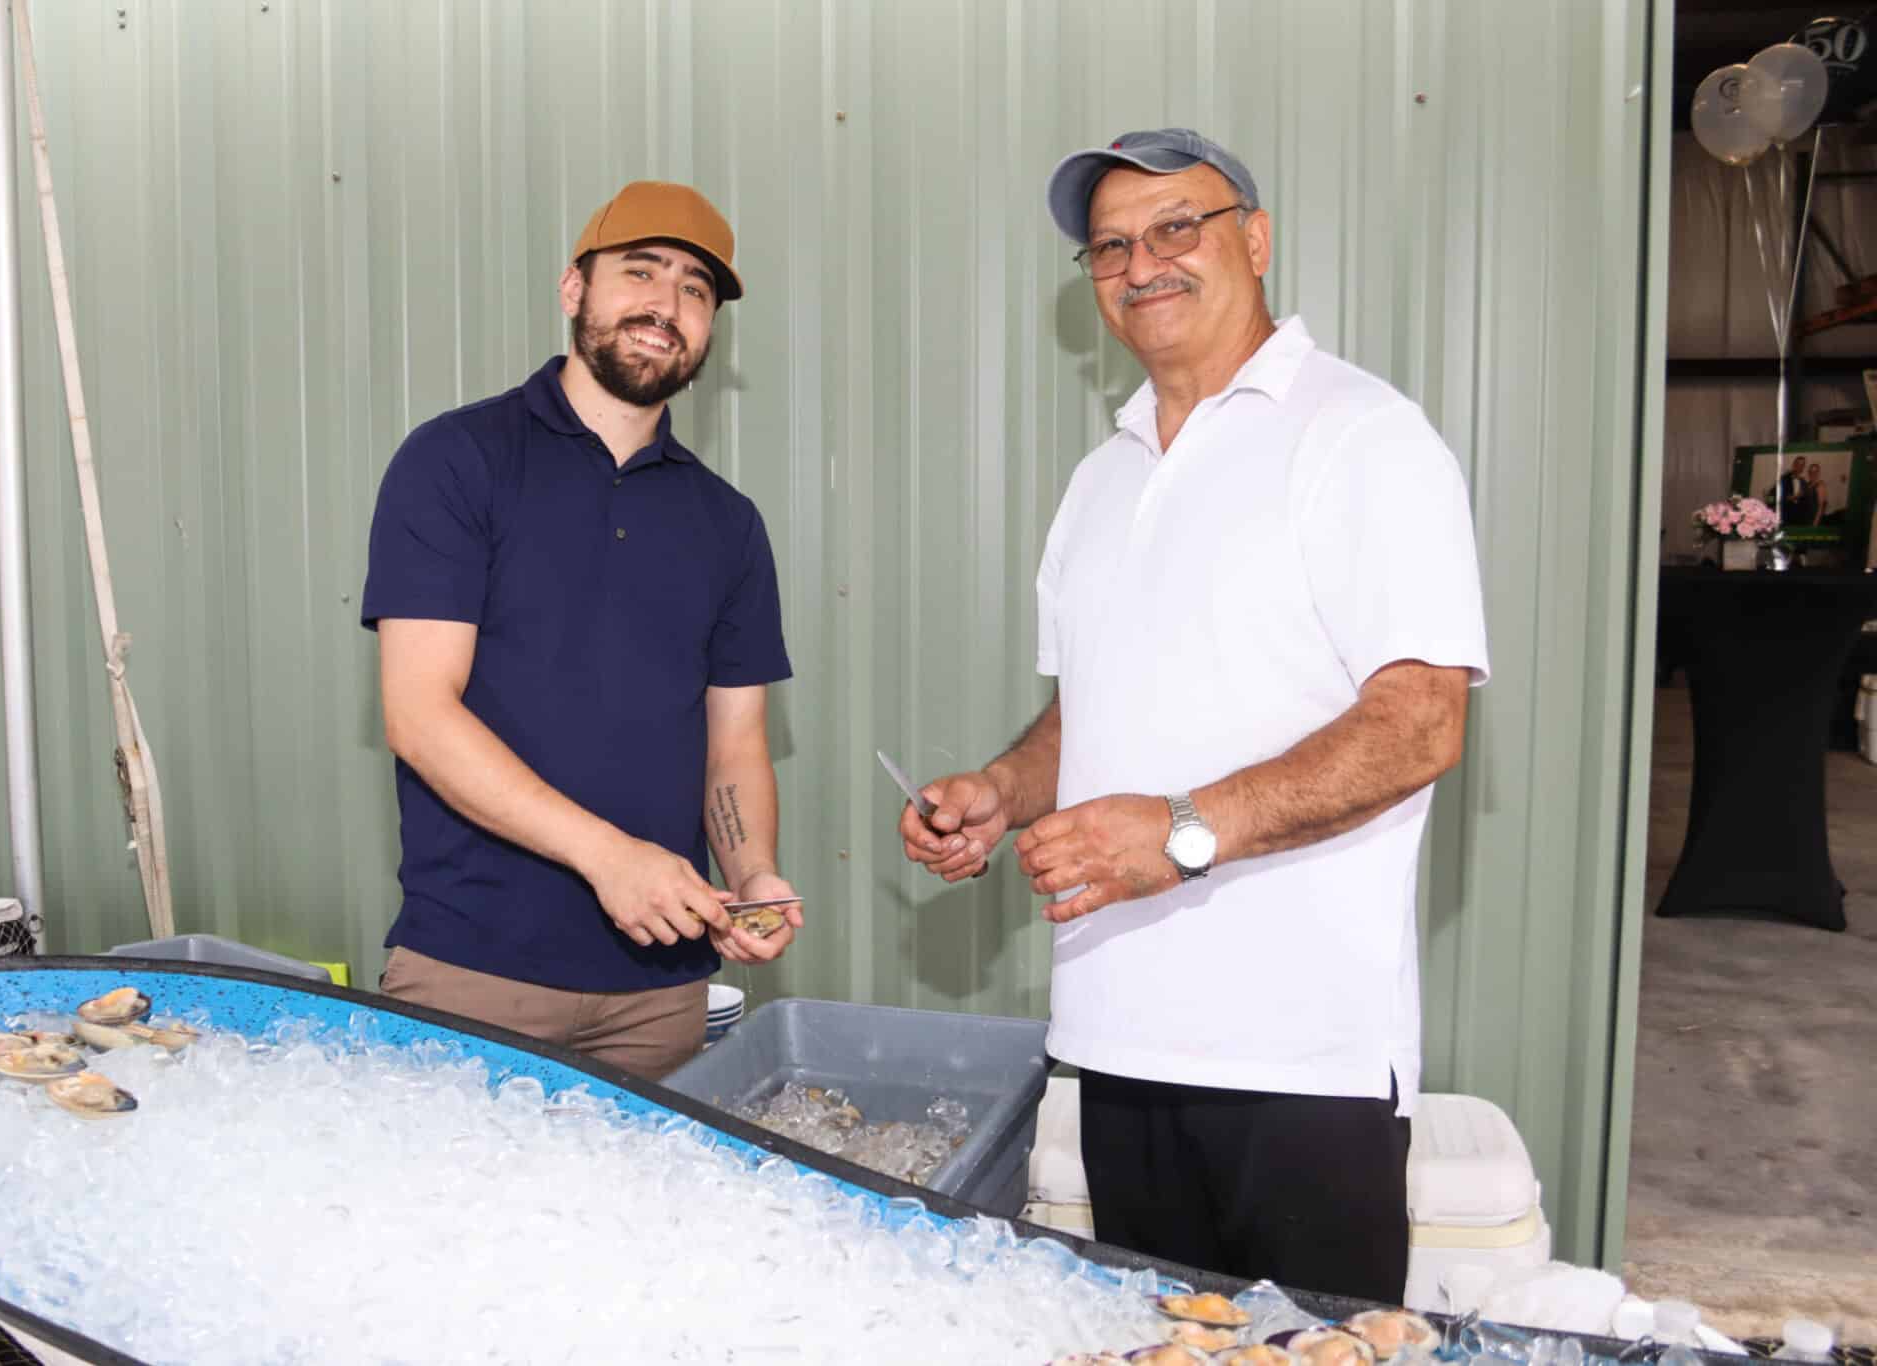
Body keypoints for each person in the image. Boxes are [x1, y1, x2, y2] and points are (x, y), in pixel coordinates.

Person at [898, 128, 1489, 1303]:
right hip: (1117, 1046)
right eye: (1109, 246)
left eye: (1178, 227)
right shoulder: (1102, 473)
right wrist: (1001, 791)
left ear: (1254, 240)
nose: (1141, 262)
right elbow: (1091, 707)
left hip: (1299, 1066)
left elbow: (1420, 722)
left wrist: (1179, 832)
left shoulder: (1359, 437)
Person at [362, 180, 800, 1081]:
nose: (665, 305)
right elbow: (419, 713)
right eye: (640, 272)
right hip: (474, 976)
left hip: (662, 995)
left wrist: (753, 873)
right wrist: (609, 858)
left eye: (694, 290)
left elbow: (736, 746)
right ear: (574, 290)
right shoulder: (457, 462)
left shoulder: (728, 523)